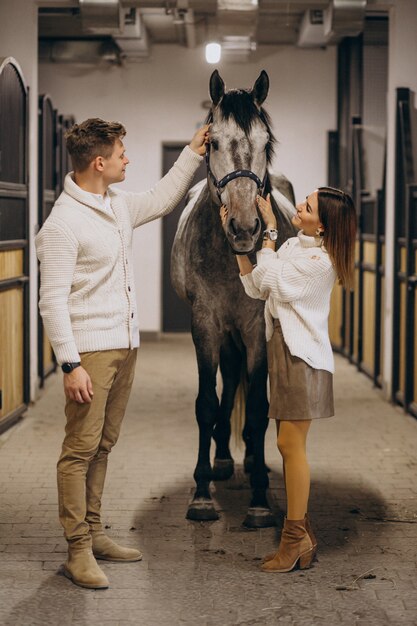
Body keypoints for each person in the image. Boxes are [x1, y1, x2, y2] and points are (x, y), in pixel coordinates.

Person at [36, 118, 208, 589]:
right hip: (89, 353)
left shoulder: (116, 205)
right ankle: (77, 550)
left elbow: (161, 198)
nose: (126, 159)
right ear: (99, 162)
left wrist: (193, 151)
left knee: (104, 445)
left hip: (125, 346)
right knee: (79, 450)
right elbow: (51, 301)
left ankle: (93, 532)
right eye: (121, 153)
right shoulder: (62, 224)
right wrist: (69, 364)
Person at [220, 187, 356, 573]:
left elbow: (273, 280)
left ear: (324, 225)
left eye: (308, 206)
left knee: (288, 444)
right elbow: (257, 285)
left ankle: (294, 538)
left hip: (303, 359)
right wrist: (240, 247)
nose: (300, 205)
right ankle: (304, 537)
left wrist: (269, 232)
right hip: (283, 353)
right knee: (286, 443)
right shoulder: (297, 248)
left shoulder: (320, 260)